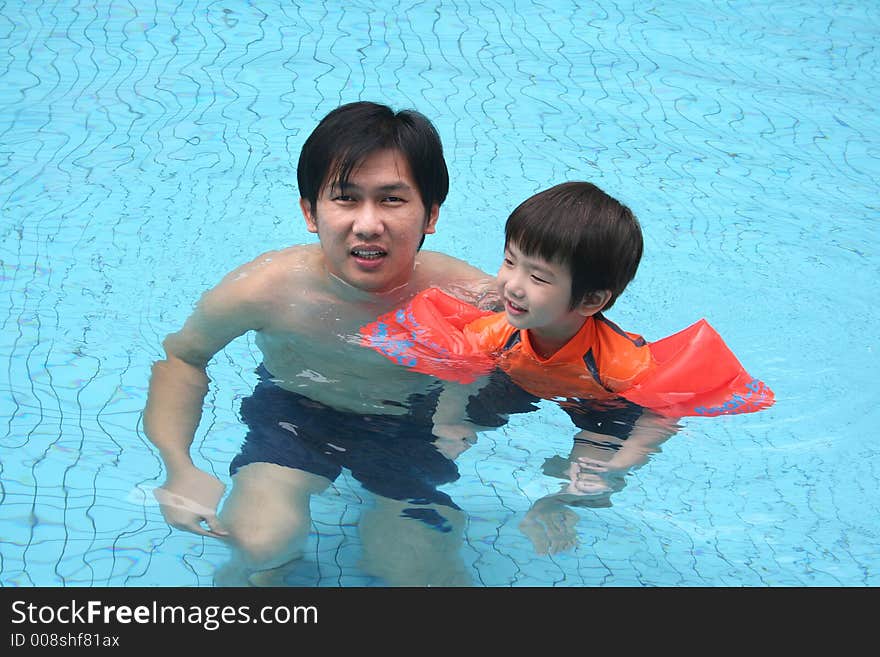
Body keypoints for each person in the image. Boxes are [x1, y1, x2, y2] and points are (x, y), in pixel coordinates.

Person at [143, 101, 498, 585]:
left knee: (417, 572)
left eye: (392, 199)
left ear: (430, 215)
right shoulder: (268, 289)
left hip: (410, 426)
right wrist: (178, 467)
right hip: (296, 416)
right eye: (346, 199)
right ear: (311, 212)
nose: (368, 223)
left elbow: (540, 369)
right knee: (259, 541)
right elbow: (183, 358)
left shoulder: (469, 298)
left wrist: (459, 415)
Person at [361, 181, 772, 553]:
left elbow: (660, 414)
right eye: (510, 262)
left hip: (603, 403)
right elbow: (458, 377)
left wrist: (624, 459)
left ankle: (560, 505)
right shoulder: (499, 330)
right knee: (430, 424)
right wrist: (449, 423)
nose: (513, 284)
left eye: (538, 277)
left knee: (591, 476)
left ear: (590, 301)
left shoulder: (620, 364)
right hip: (519, 380)